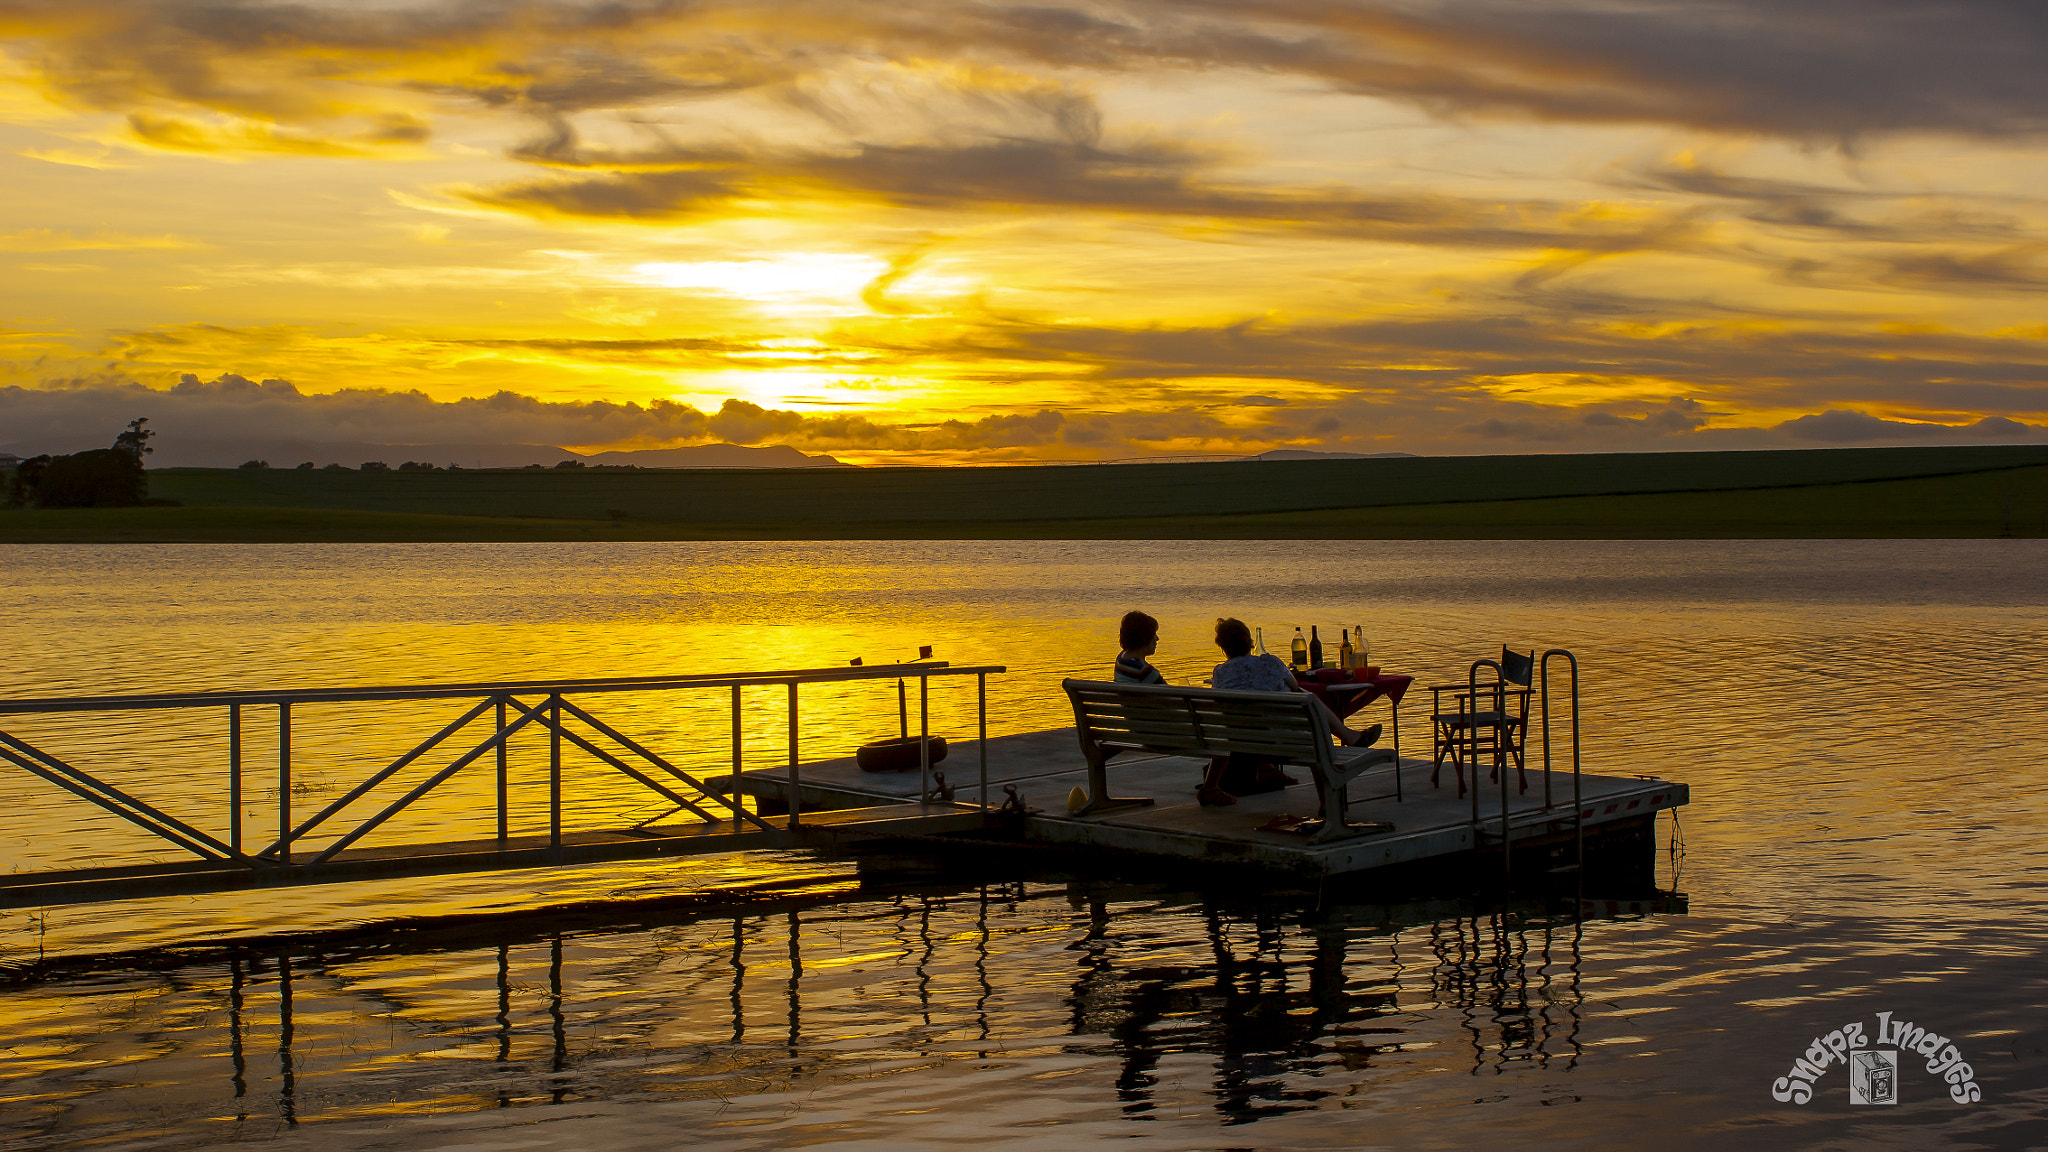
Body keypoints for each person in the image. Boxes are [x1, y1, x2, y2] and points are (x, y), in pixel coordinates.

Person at [1114, 611, 1167, 685]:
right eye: (1154, 634)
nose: (1157, 638)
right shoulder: (1145, 672)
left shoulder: (1121, 659)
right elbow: (1172, 694)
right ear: (1145, 638)